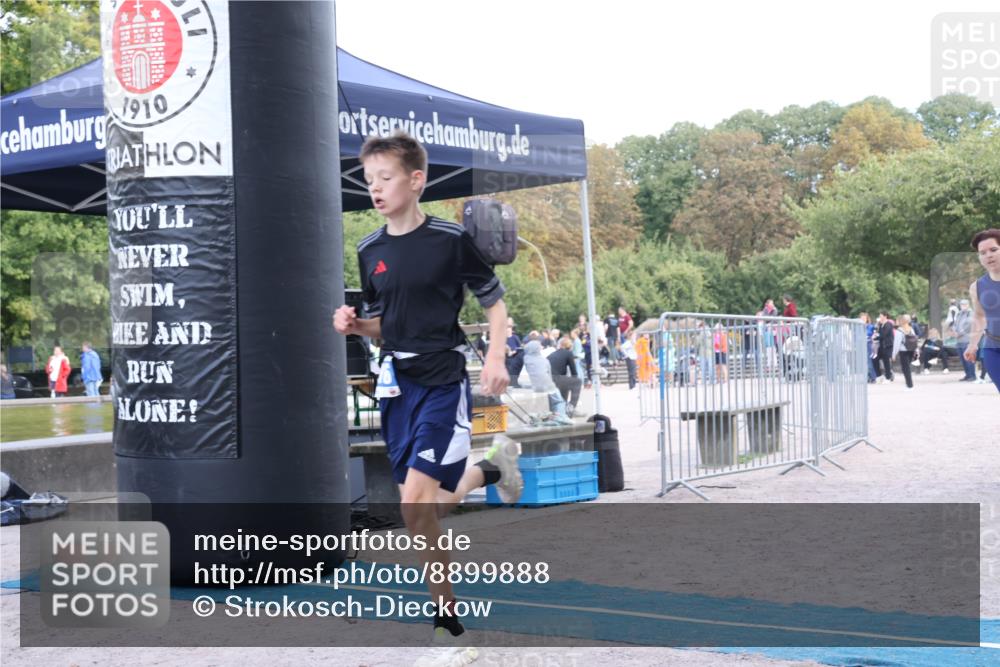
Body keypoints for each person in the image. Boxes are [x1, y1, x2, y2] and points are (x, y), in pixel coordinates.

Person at [332, 131, 521, 656]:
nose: (376, 188)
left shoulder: (450, 241)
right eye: (369, 180)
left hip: (441, 381)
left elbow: (496, 308)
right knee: (420, 508)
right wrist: (352, 325)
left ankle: (448, 626)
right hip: (396, 389)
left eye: (386, 178)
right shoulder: (369, 249)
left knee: (416, 505)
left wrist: (498, 360)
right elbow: (384, 325)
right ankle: (490, 471)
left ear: (416, 181)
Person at [963, 228, 1000, 392]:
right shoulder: (977, 287)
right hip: (993, 349)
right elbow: (979, 316)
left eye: (994, 250)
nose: (988, 255)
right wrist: (972, 345)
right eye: (982, 252)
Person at [523, 338, 572, 422]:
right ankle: (560, 417)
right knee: (559, 401)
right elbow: (549, 375)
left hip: (535, 387)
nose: (541, 347)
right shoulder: (545, 360)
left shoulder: (526, 359)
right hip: (548, 385)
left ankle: (547, 417)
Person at [548, 336, 582, 415]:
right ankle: (571, 406)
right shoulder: (568, 353)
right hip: (556, 378)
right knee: (577, 382)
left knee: (565, 383)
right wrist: (574, 382)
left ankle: (563, 408)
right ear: (569, 346)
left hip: (548, 379)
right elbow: (574, 372)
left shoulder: (553, 354)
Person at [952, 298, 977, 381]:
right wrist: (954, 331)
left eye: (965, 304)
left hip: (967, 340)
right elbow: (955, 324)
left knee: (969, 359)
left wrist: (960, 333)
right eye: (962, 305)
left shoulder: (971, 313)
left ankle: (972, 376)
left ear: (968, 305)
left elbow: (969, 325)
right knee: (963, 359)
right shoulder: (959, 314)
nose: (963, 306)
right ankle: (967, 375)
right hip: (959, 341)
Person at [896, 315, 917, 390]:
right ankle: (909, 384)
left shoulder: (899, 330)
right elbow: (915, 339)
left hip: (903, 351)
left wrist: (893, 354)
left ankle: (910, 385)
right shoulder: (911, 329)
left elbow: (896, 343)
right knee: (907, 368)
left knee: (905, 369)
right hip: (911, 350)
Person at [874, 312, 894, 382]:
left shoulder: (888, 324)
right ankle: (879, 375)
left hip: (887, 346)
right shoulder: (881, 325)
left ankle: (888, 378)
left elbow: (883, 335)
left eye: (881, 316)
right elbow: (878, 333)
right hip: (882, 346)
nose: (880, 318)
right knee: (875, 358)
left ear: (885, 316)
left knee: (886, 362)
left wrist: (875, 338)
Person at [504, 319, 524, 388]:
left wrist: (514, 351)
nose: (508, 330)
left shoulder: (515, 337)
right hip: (506, 356)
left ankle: (514, 381)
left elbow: (519, 346)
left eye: (509, 329)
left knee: (516, 367)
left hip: (515, 356)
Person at [859, 313, 877, 383]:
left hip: (869, 345)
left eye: (864, 318)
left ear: (867, 319)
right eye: (861, 318)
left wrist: (872, 337)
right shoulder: (858, 326)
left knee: (869, 362)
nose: (863, 319)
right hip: (861, 345)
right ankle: (867, 376)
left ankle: (873, 377)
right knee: (863, 362)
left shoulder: (870, 326)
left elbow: (875, 334)